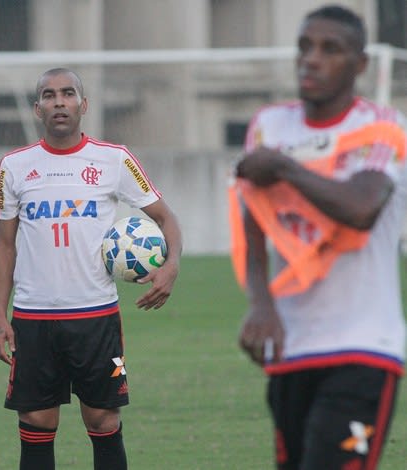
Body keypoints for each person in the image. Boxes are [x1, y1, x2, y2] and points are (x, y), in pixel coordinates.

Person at [230, 5, 406, 469]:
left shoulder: (383, 128)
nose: (312, 58)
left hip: (364, 347)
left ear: (360, 65)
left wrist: (285, 167)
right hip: (291, 347)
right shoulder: (271, 126)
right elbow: (253, 216)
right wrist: (260, 302)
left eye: (331, 49)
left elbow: (362, 208)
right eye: (305, 46)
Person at [0, 67, 182, 470]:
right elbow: (4, 245)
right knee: (36, 423)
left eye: (68, 93)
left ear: (84, 104)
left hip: (94, 316)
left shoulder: (114, 159)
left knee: (103, 419)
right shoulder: (15, 166)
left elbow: (165, 218)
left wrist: (171, 265)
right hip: (33, 317)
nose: (59, 101)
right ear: (37, 108)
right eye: (49, 95)